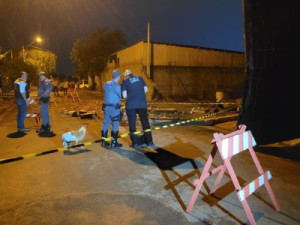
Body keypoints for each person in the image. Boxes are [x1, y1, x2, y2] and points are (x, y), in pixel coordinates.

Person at [121, 69, 154, 149]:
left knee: (132, 124)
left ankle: (135, 143)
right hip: (142, 104)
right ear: (132, 73)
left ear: (126, 75)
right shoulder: (140, 78)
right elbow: (146, 90)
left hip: (131, 106)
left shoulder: (125, 82)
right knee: (145, 123)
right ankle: (149, 141)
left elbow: (124, 96)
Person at [101, 70, 123, 148]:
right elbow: (122, 96)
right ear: (118, 77)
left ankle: (104, 142)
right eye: (120, 76)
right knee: (115, 124)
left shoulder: (106, 84)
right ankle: (114, 143)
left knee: (106, 123)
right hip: (114, 108)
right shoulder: (117, 86)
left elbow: (107, 90)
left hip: (106, 107)